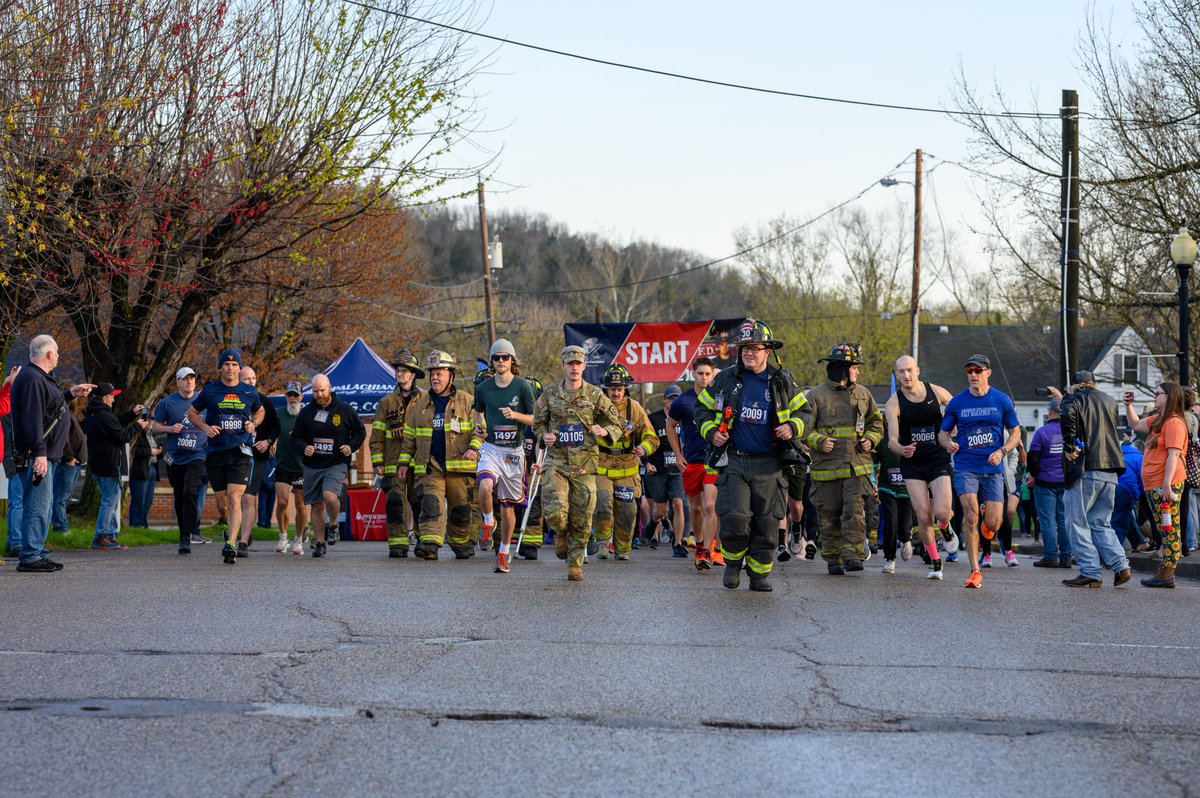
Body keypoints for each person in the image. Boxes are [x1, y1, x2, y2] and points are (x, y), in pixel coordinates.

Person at [695, 319, 809, 591]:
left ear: (767, 351)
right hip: (734, 460)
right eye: (745, 347)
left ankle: (759, 575)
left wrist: (792, 427)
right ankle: (733, 564)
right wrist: (711, 432)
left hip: (770, 463)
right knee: (735, 518)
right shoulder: (725, 379)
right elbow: (701, 411)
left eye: (755, 348)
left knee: (767, 523)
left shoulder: (782, 380)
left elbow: (805, 413)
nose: (749, 352)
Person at [533, 344, 623, 582]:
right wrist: (544, 436)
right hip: (557, 462)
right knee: (554, 510)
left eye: (578, 363)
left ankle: (575, 563)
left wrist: (604, 430)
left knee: (583, 516)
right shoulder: (550, 394)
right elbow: (538, 423)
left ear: (584, 366)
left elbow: (616, 423)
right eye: (570, 363)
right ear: (563, 365)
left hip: (585, 464)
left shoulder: (595, 395)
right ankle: (561, 533)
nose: (574, 367)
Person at [10, 335, 94, 572]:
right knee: (37, 505)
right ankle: (30, 556)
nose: (59, 356)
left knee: (43, 505)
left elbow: (50, 409)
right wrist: (39, 453)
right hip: (39, 455)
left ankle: (37, 551)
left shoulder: (39, 379)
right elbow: (32, 419)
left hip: (48, 453)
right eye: (57, 352)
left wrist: (70, 394)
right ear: (48, 354)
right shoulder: (32, 379)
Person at [937, 354, 1021, 589]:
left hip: (992, 468)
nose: (973, 375)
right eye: (969, 371)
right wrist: (948, 443)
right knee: (970, 515)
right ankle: (974, 570)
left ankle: (988, 521)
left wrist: (1002, 451)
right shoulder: (957, 402)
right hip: (966, 466)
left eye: (977, 370)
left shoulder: (1001, 400)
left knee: (993, 523)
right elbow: (942, 434)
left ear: (988, 373)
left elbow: (1016, 433)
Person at [803, 343, 883, 576]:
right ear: (843, 369)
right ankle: (833, 559)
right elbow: (804, 429)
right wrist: (819, 441)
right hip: (827, 468)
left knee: (855, 512)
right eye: (855, 368)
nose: (857, 372)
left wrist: (870, 439)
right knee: (829, 514)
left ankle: (853, 556)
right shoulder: (817, 396)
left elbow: (876, 423)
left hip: (856, 466)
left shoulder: (863, 394)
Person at [397, 351, 482, 560]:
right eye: (432, 374)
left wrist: (474, 448)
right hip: (430, 466)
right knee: (431, 504)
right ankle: (430, 544)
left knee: (460, 511)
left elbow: (480, 430)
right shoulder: (421, 405)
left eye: (439, 374)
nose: (434, 378)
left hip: (460, 469)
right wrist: (403, 463)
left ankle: (462, 544)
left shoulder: (467, 401)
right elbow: (409, 437)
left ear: (451, 375)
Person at [187, 349, 264, 565]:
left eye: (234, 365)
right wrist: (204, 426)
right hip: (216, 452)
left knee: (234, 497)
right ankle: (227, 526)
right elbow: (191, 413)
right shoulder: (210, 391)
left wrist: (253, 424)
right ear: (220, 367)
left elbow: (260, 411)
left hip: (240, 451)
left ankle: (230, 543)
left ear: (239, 368)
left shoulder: (249, 392)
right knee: (222, 503)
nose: (230, 368)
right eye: (226, 365)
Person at [1058, 370, 1131, 588]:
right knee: (1101, 523)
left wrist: (1069, 446)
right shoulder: (1109, 400)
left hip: (1086, 467)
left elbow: (1066, 416)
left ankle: (1090, 571)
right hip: (1111, 467)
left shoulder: (1072, 398)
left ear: (1075, 385)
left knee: (1077, 521)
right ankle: (1121, 565)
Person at [884, 355, 955, 580]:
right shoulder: (893, 403)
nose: (906, 375)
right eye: (901, 372)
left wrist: (952, 433)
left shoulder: (936, 392)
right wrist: (901, 448)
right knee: (924, 517)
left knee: (943, 512)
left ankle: (946, 527)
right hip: (912, 464)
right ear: (896, 375)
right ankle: (935, 562)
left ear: (918, 371)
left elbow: (956, 410)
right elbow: (892, 440)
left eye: (909, 370)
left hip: (937, 458)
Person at [471, 339, 537, 574]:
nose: (501, 361)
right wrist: (478, 427)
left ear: (512, 360)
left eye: (505, 357)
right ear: (491, 362)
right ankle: (488, 522)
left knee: (508, 507)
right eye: (496, 358)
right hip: (491, 449)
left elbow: (535, 419)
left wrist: (515, 415)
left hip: (514, 453)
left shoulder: (522, 387)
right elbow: (477, 412)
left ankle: (503, 552)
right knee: (485, 485)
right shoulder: (483, 388)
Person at [290, 373, 365, 558]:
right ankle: (320, 543)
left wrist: (351, 446)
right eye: (315, 391)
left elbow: (360, 432)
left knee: (329, 496)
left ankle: (333, 524)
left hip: (336, 462)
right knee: (316, 505)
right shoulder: (306, 412)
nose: (319, 394)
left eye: (322, 390)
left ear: (329, 388)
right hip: (313, 465)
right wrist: (304, 447)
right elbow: (295, 437)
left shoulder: (345, 410)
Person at [1124, 382, 1188, 588]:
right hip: (1154, 484)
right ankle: (1166, 570)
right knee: (1163, 526)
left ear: (1169, 396)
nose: (1155, 396)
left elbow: (1173, 455)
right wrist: (1128, 405)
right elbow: (1136, 424)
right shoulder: (1159, 420)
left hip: (1165, 484)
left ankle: (1168, 572)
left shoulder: (1174, 423)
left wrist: (1167, 484)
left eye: (1158, 393)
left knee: (1170, 527)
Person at [593, 364, 659, 561]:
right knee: (603, 503)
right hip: (601, 466)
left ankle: (622, 547)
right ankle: (603, 543)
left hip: (627, 468)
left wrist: (644, 448)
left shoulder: (634, 408)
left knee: (627, 511)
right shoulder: (596, 407)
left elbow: (651, 437)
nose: (616, 392)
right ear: (605, 389)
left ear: (625, 388)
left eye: (619, 388)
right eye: (612, 389)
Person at [666, 357, 720, 569]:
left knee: (710, 505)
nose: (704, 378)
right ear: (693, 374)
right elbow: (670, 425)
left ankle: (708, 550)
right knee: (695, 508)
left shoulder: (719, 397)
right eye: (700, 374)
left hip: (714, 459)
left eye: (708, 374)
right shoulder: (683, 401)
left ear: (712, 374)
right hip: (692, 460)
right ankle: (699, 545)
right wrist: (678, 455)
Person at [371, 350, 425, 558]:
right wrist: (378, 461)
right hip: (393, 463)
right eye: (398, 370)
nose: (400, 374)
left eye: (404, 371)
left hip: (418, 463)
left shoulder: (425, 400)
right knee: (395, 503)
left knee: (419, 501)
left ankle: (422, 538)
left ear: (413, 374)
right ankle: (398, 543)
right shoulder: (386, 403)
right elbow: (376, 435)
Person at [82, 383, 149, 550]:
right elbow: (121, 436)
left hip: (98, 464)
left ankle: (110, 535)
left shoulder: (95, 414)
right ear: (105, 398)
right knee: (109, 501)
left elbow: (115, 423)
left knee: (111, 500)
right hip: (108, 465)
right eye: (112, 396)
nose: (113, 399)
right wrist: (137, 426)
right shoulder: (104, 416)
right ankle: (101, 536)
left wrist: (132, 414)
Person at [154, 366, 209, 554]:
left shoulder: (204, 400)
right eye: (185, 379)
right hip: (176, 456)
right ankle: (183, 534)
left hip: (197, 454)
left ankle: (189, 534)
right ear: (178, 381)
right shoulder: (167, 403)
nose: (189, 382)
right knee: (179, 495)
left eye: (192, 378)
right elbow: (155, 426)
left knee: (189, 492)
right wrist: (170, 429)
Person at [234, 366, 280, 557]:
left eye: (253, 378)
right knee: (231, 499)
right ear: (238, 379)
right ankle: (245, 528)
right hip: (235, 456)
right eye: (247, 379)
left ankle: (242, 543)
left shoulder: (264, 402)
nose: (251, 382)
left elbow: (276, 426)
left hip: (257, 457)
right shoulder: (231, 400)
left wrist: (268, 441)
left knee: (248, 498)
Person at [1028, 396, 1072, 568]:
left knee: (1048, 521)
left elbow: (1033, 457)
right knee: (1063, 520)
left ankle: (1050, 556)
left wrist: (1034, 473)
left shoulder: (1042, 432)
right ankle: (1066, 556)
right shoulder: (1070, 431)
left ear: (1050, 411)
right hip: (1065, 481)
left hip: (1045, 482)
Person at [644, 384, 687, 556]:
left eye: (677, 398)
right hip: (658, 469)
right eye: (670, 398)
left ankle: (677, 543)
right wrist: (646, 463)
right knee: (660, 510)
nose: (673, 402)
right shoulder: (654, 419)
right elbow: (643, 441)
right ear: (664, 400)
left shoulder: (686, 418)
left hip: (677, 470)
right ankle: (653, 522)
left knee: (678, 504)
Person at [273, 381, 308, 554]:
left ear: (301, 396)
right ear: (285, 396)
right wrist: (270, 441)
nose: (293, 398)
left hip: (302, 466)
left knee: (301, 504)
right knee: (282, 502)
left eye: (296, 395)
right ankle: (283, 536)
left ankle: (299, 539)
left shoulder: (307, 415)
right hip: (283, 464)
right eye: (290, 395)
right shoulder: (278, 414)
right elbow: (269, 432)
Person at [50, 392, 86, 534]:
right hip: (67, 463)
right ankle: (60, 528)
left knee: (65, 497)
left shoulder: (70, 414)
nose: (77, 401)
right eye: (76, 397)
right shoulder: (64, 413)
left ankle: (60, 526)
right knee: (60, 497)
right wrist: (69, 458)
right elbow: (63, 440)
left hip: (74, 462)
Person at [127, 419, 161, 528]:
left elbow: (155, 452)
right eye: (149, 420)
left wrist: (159, 451)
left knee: (148, 500)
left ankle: (143, 523)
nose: (151, 423)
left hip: (152, 468)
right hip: (140, 469)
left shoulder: (152, 434)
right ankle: (135, 525)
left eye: (152, 420)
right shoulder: (137, 434)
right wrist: (151, 451)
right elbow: (133, 451)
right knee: (138, 500)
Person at [0, 367, 16, 564]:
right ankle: (15, 541)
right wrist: (10, 385)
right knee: (17, 500)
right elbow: (4, 406)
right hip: (9, 454)